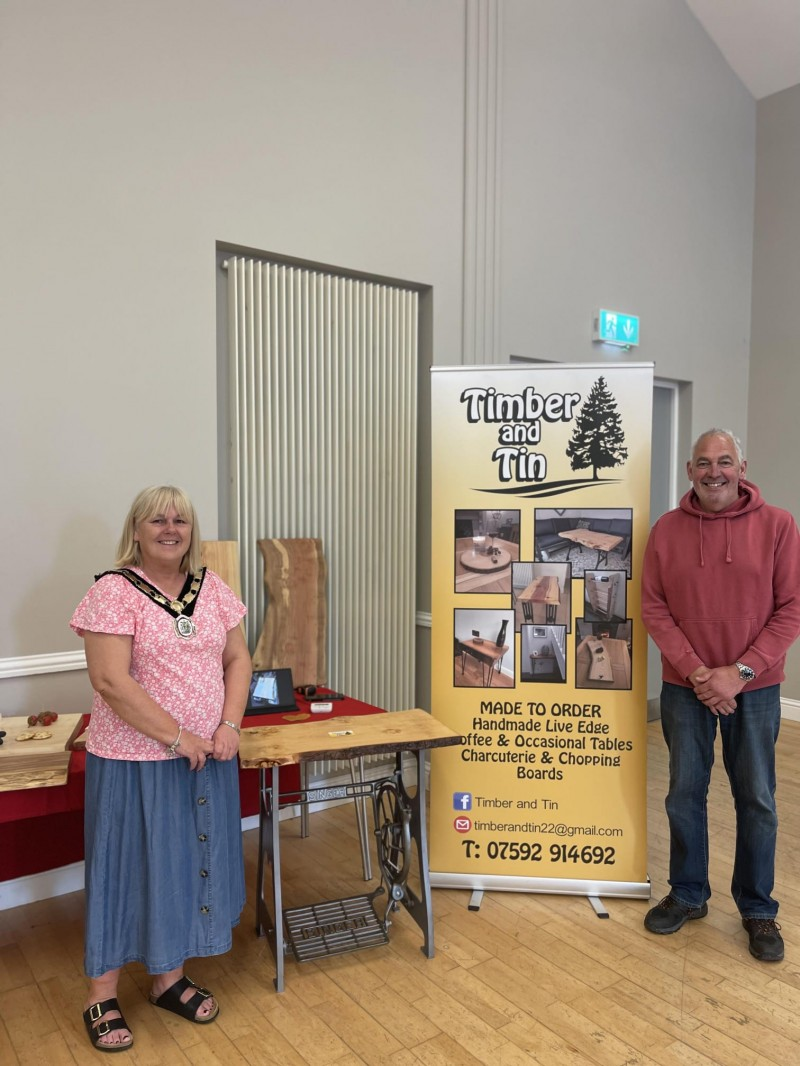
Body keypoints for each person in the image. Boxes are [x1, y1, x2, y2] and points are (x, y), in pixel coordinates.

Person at [70, 486, 252, 1051]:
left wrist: (229, 726)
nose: (170, 528)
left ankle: (166, 978)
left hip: (206, 758)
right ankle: (100, 994)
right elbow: (110, 681)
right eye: (158, 519)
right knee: (124, 870)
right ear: (137, 528)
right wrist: (178, 737)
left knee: (182, 866)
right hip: (135, 761)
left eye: (181, 519)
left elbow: (239, 658)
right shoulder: (112, 591)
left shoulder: (213, 589)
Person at [641, 429, 800, 962]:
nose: (715, 471)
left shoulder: (778, 526)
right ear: (690, 471)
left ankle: (758, 908)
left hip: (755, 689)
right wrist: (699, 673)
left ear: (742, 467)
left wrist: (739, 673)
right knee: (684, 793)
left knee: (756, 799)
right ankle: (688, 894)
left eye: (724, 461)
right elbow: (654, 608)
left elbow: (791, 610)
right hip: (685, 688)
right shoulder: (665, 530)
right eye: (704, 462)